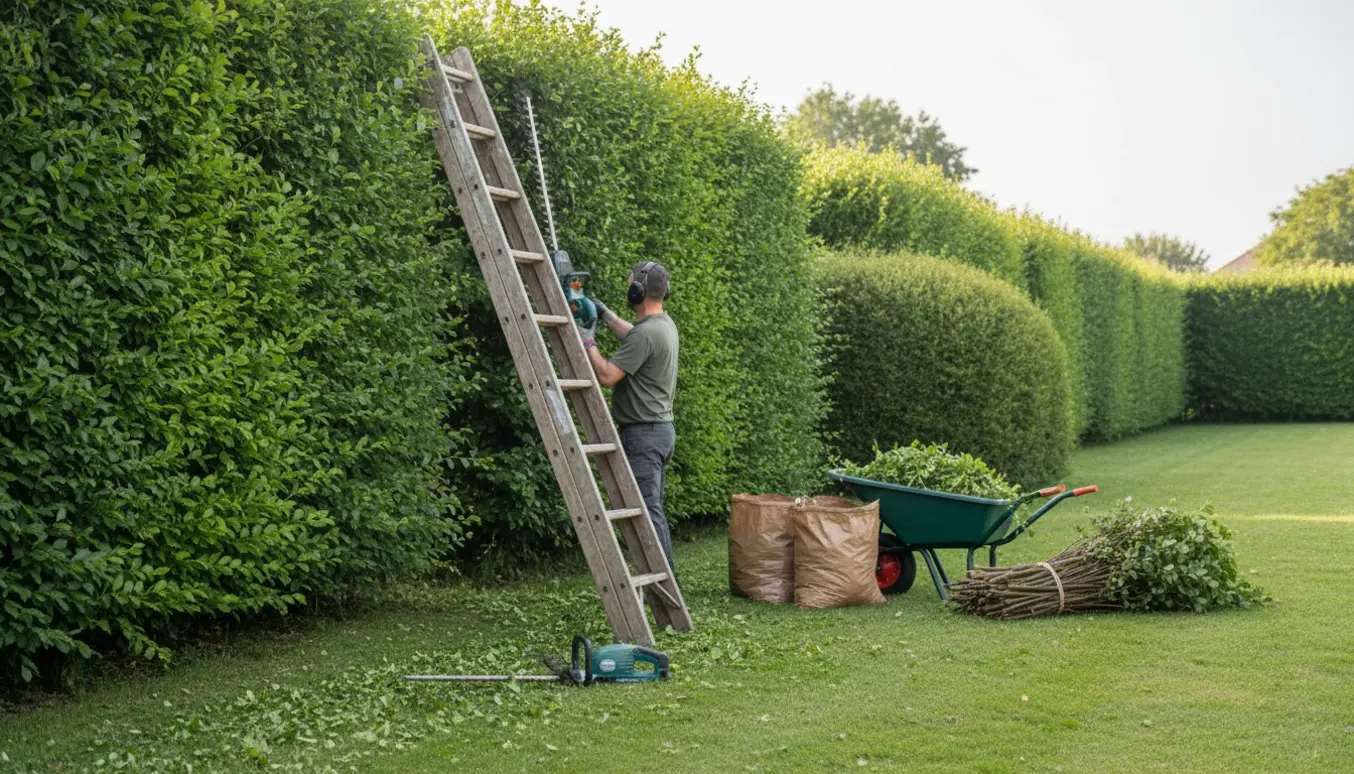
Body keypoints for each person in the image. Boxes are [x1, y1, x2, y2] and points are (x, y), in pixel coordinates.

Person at [578, 261, 679, 574]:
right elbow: (635, 335)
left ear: (639, 292)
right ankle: (666, 580)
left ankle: (667, 583)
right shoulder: (663, 325)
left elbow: (608, 375)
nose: (628, 288)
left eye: (631, 284)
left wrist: (587, 340)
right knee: (653, 510)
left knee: (648, 513)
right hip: (658, 431)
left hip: (643, 436)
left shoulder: (645, 336)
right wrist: (605, 314)